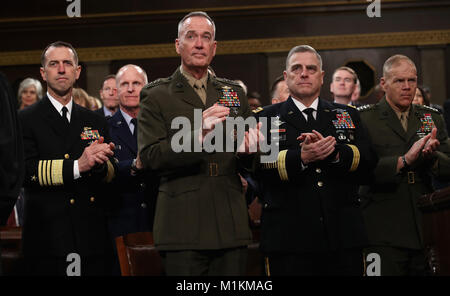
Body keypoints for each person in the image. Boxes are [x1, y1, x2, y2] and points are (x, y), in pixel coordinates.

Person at [138, 11, 256, 276]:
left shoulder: (233, 93)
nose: (199, 44)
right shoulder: (156, 94)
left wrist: (250, 151)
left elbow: (255, 158)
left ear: (214, 48)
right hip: (182, 224)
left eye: (206, 37)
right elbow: (150, 157)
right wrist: (196, 135)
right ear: (178, 45)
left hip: (230, 221)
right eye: (191, 37)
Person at [253, 45, 377, 276]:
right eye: (297, 68)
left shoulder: (346, 115)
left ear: (321, 77)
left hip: (342, 235)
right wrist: (300, 157)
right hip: (288, 239)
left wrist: (335, 154)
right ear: (286, 76)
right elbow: (258, 170)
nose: (304, 73)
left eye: (311, 68)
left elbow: (368, 165)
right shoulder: (265, 117)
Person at [18, 41, 117, 275]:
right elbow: (25, 171)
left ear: (77, 71)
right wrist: (77, 166)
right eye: (54, 64)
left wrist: (101, 165)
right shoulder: (24, 119)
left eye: (67, 63)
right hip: (47, 239)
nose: (61, 69)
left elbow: (109, 173)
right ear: (43, 73)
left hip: (91, 236)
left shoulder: (95, 120)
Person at [358, 54, 450, 275]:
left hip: (425, 224)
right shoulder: (364, 119)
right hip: (382, 227)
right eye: (399, 81)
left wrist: (432, 156)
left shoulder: (432, 118)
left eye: (412, 80)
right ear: (383, 84)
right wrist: (404, 160)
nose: (407, 87)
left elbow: (448, 169)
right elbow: (360, 171)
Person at [107, 64, 158, 239]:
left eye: (136, 83)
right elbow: (102, 172)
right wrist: (134, 165)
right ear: (116, 90)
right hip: (121, 222)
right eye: (124, 84)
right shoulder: (104, 128)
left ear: (146, 87)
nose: (130, 89)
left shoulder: (162, 126)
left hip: (159, 220)